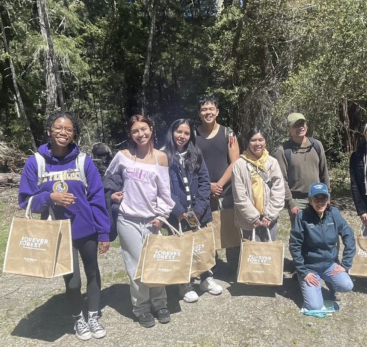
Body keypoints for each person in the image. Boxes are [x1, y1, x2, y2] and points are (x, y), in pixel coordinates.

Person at [18, 111, 110, 341]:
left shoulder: (83, 161)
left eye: (68, 129)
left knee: (93, 273)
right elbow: (26, 201)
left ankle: (93, 316)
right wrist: (50, 197)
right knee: (73, 281)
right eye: (58, 128)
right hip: (57, 232)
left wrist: (104, 232)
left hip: (86, 229)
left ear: (74, 133)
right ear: (50, 130)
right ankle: (78, 318)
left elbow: (97, 198)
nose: (63, 133)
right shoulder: (36, 162)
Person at [105, 115, 174, 328]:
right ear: (130, 134)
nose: (140, 134)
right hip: (128, 219)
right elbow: (108, 178)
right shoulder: (123, 156)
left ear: (151, 129)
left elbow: (165, 193)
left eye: (144, 129)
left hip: (152, 221)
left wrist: (162, 216)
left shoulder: (161, 158)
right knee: (136, 266)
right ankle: (141, 307)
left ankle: (160, 303)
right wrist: (113, 195)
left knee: (156, 263)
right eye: (135, 131)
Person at [164, 119, 222, 303]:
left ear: (191, 136)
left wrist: (198, 209)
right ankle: (185, 283)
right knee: (182, 247)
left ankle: (206, 279)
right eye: (178, 132)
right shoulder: (163, 156)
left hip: (198, 212)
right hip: (178, 214)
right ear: (172, 133)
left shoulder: (196, 154)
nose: (182, 136)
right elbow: (163, 188)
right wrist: (179, 210)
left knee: (201, 245)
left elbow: (205, 182)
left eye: (186, 133)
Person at [289, 183, 355, 310]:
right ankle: (302, 279)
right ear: (310, 200)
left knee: (347, 285)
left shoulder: (334, 214)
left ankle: (327, 283)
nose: (320, 202)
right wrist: (304, 272)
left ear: (328, 199)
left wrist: (345, 265)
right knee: (314, 306)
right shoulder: (302, 217)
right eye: (316, 199)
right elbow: (294, 246)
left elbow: (349, 236)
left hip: (330, 264)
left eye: (323, 198)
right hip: (310, 268)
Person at [195, 96, 240, 268]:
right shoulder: (194, 135)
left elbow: (235, 162)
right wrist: (208, 186)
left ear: (217, 111)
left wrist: (219, 184)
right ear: (199, 113)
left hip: (226, 190)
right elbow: (193, 164)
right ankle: (209, 268)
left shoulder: (228, 133)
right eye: (204, 109)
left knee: (230, 228)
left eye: (211, 109)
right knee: (206, 228)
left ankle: (234, 267)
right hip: (203, 190)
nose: (208, 112)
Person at [274, 113, 329, 227]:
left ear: (306, 126)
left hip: (318, 197)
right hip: (297, 200)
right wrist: (291, 203)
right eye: (295, 125)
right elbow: (282, 180)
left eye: (302, 123)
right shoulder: (283, 150)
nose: (300, 127)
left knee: (320, 233)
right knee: (300, 237)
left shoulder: (317, 145)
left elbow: (324, 173)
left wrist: (327, 196)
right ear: (289, 129)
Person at [231, 128, 285, 241]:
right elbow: (239, 195)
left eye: (261, 140)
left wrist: (269, 215)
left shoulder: (272, 163)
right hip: (248, 219)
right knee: (251, 254)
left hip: (269, 218)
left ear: (265, 142)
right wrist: (254, 218)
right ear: (248, 142)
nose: (257, 143)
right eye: (253, 140)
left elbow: (279, 190)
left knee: (269, 253)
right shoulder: (239, 165)